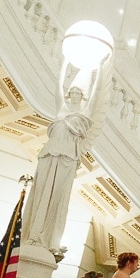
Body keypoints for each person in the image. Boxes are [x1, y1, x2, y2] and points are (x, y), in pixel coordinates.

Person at [24, 84, 93, 252]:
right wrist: (64, 65)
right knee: (40, 194)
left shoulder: (84, 115)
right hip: (49, 154)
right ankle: (32, 233)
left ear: (83, 96)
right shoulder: (62, 110)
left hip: (67, 158)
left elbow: (97, 95)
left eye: (79, 92)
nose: (75, 94)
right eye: (73, 92)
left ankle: (46, 237)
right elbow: (57, 92)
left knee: (58, 198)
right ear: (69, 94)